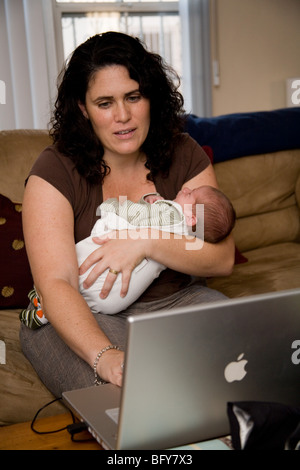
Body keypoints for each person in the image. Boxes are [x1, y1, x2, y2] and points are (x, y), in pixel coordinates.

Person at [20, 32, 235, 397]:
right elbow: (56, 282)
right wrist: (104, 356)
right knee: (136, 397)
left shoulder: (183, 153)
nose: (123, 116)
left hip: (180, 301)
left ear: (150, 97)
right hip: (83, 315)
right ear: (83, 109)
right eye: (105, 103)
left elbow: (220, 258)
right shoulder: (55, 171)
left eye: (133, 97)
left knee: (255, 364)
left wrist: (146, 241)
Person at [20, 185, 235, 327]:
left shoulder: (172, 215)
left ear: (190, 218)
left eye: (191, 195)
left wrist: (112, 206)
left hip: (106, 270)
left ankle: (47, 304)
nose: (186, 189)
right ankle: (47, 308)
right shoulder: (186, 237)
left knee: (78, 264)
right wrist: (153, 201)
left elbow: (138, 215)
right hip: (117, 299)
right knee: (87, 291)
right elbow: (155, 218)